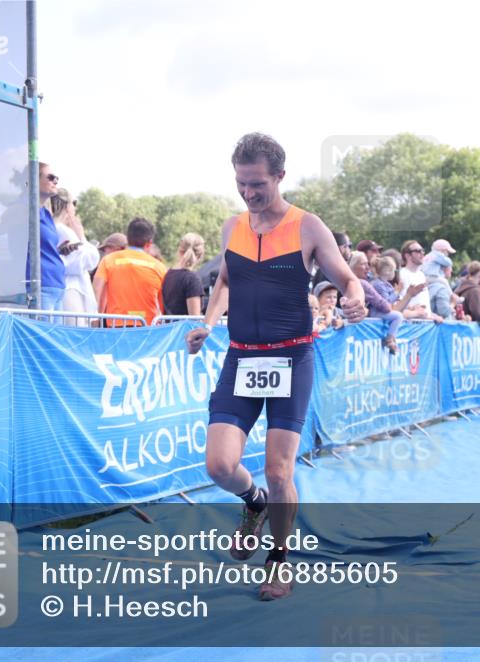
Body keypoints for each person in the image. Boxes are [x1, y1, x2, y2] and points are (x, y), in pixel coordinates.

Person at [185, 133, 366, 602]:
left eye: (258, 184)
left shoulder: (308, 226)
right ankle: (253, 504)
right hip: (242, 356)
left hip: (292, 356)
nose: (249, 193)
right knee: (219, 465)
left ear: (280, 177)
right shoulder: (233, 228)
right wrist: (207, 323)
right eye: (242, 184)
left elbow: (344, 276)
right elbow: (224, 280)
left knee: (280, 471)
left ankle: (279, 560)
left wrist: (356, 296)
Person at [93, 217, 167, 326]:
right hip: (147, 327)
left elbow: (96, 291)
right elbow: (163, 305)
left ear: (127, 238)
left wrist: (96, 321)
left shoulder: (108, 260)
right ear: (149, 243)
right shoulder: (159, 267)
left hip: (116, 325)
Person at [50, 188, 99, 326]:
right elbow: (87, 260)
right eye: (74, 203)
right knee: (75, 334)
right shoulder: (63, 230)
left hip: (65, 288)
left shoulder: (52, 228)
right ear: (66, 206)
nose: (75, 208)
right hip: (71, 289)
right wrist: (82, 236)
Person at [28, 163, 66, 312]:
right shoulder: (22, 209)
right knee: (42, 335)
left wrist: (59, 250)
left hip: (56, 286)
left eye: (56, 178)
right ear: (34, 180)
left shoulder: (45, 213)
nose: (55, 181)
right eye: (50, 177)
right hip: (40, 286)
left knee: (54, 334)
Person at [349, 251, 403, 353]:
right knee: (398, 316)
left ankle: (391, 338)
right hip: (375, 312)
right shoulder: (375, 284)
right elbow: (385, 304)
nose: (367, 268)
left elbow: (389, 302)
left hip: (375, 312)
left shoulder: (384, 283)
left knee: (398, 315)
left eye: (367, 264)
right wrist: (396, 293)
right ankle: (390, 339)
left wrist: (397, 296)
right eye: (363, 264)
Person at [162, 233, 206, 316]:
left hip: (169, 328)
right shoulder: (192, 279)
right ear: (200, 255)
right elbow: (194, 319)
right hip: (185, 329)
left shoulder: (168, 274)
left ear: (180, 251)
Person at [424, 251, 455, 320]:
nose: (452, 270)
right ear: (443, 268)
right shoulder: (441, 288)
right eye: (450, 267)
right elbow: (444, 312)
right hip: (439, 326)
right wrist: (453, 303)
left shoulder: (425, 285)